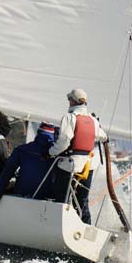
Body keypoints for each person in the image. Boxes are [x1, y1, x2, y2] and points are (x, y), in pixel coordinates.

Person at [47, 88, 107, 224]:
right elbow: (103, 136)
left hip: (70, 165)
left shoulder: (69, 118)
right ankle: (86, 228)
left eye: (69, 100)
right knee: (82, 201)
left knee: (61, 197)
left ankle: (58, 224)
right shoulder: (92, 120)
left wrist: (49, 153)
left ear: (73, 101)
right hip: (88, 166)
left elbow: (63, 143)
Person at [0, 122, 56, 208]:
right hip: (45, 198)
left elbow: (7, 172)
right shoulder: (57, 154)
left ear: (38, 132)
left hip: (21, 194)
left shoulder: (21, 150)